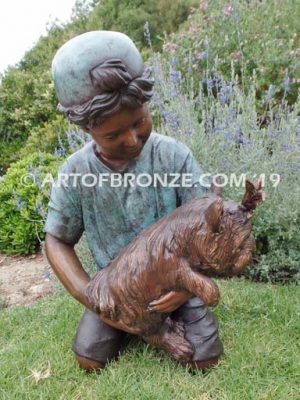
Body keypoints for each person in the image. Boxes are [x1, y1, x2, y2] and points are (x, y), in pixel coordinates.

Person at [45, 31, 223, 372]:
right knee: (90, 360)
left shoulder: (172, 155)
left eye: (139, 122)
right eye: (112, 135)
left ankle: (163, 321)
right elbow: (57, 240)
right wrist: (94, 298)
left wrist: (188, 288)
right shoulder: (76, 172)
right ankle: (134, 326)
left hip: (176, 281)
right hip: (117, 289)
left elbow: (209, 222)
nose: (131, 139)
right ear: (87, 130)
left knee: (204, 359)